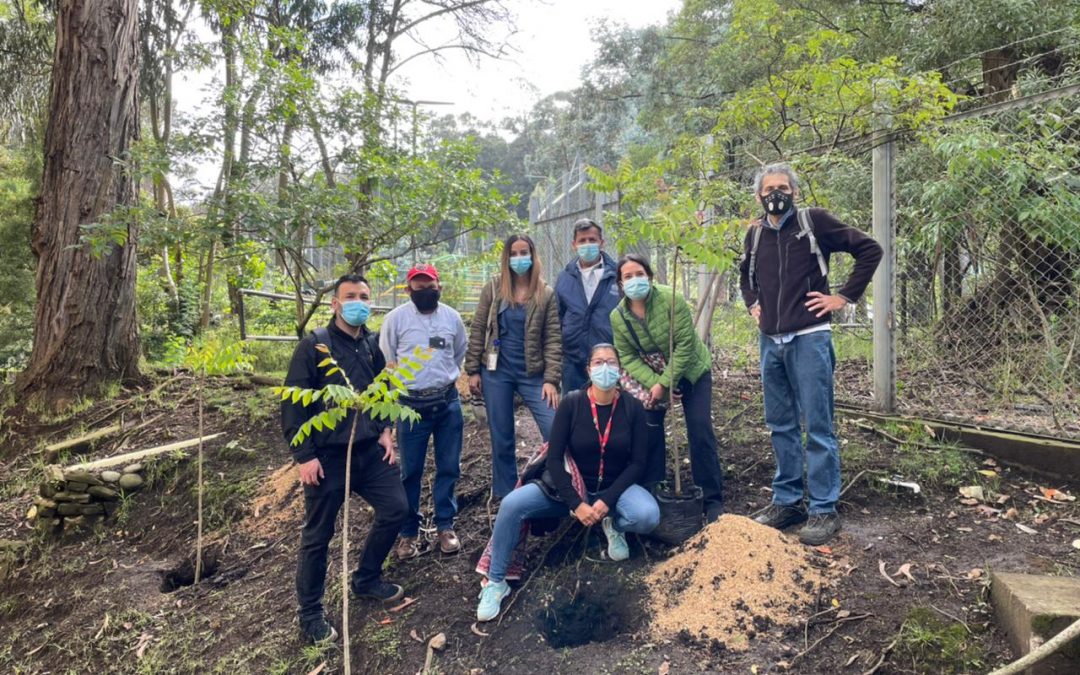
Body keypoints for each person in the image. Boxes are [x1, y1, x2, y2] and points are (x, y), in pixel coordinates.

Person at [739, 162, 883, 546]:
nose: (776, 195)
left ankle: (823, 508)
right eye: (769, 189)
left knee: (817, 425)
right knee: (780, 423)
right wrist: (753, 304)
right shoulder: (754, 235)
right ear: (758, 195)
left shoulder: (813, 222)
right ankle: (787, 501)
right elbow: (745, 278)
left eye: (783, 187)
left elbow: (870, 249)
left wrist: (843, 297)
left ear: (795, 192)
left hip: (810, 337)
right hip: (771, 340)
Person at [476, 344, 660, 622]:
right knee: (513, 504)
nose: (605, 368)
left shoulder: (632, 408)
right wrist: (576, 503)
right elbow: (554, 458)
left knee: (647, 516)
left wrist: (605, 501)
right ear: (588, 369)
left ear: (620, 370)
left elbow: (638, 463)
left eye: (611, 362)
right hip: (571, 488)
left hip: (615, 489)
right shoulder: (572, 404)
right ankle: (497, 581)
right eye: (598, 362)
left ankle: (613, 524)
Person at [282, 274, 408, 645]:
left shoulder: (372, 344)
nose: (359, 302)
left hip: (369, 452)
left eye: (364, 297)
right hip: (327, 458)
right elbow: (293, 404)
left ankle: (366, 578)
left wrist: (386, 429)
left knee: (396, 509)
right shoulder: (314, 347)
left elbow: (383, 391)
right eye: (350, 296)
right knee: (318, 536)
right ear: (334, 304)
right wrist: (304, 456)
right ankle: (310, 614)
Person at [610, 254, 724, 521]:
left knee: (699, 429)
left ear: (649, 276)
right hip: (654, 378)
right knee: (649, 430)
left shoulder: (670, 299)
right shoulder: (618, 316)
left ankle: (712, 499)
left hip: (692, 371)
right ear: (620, 283)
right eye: (628, 277)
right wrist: (655, 384)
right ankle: (654, 491)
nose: (634, 280)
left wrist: (665, 383)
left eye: (639, 274)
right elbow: (626, 356)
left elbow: (685, 344)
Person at [379, 263, 468, 560]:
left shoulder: (452, 318)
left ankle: (445, 525)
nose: (425, 292)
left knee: (449, 467)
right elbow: (388, 362)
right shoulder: (395, 320)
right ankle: (408, 533)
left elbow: (459, 351)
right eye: (419, 288)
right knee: (411, 471)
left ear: (438, 286)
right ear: (408, 290)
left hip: (447, 402)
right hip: (410, 406)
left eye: (430, 287)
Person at [465, 234, 563, 499]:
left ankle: (551, 484)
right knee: (502, 434)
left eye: (524, 252)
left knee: (554, 428)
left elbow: (553, 338)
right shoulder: (494, 289)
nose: (519, 258)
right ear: (506, 257)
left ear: (533, 255)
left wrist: (551, 379)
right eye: (514, 253)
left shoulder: (545, 293)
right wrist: (473, 369)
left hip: (534, 373)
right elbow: (478, 328)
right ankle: (506, 495)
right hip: (497, 372)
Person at [554, 218, 621, 393]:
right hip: (573, 362)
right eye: (582, 241)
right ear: (574, 245)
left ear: (602, 242)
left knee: (611, 412)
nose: (587, 244)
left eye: (592, 240)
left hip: (609, 362)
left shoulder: (618, 275)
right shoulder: (565, 278)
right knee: (574, 413)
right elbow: (557, 318)